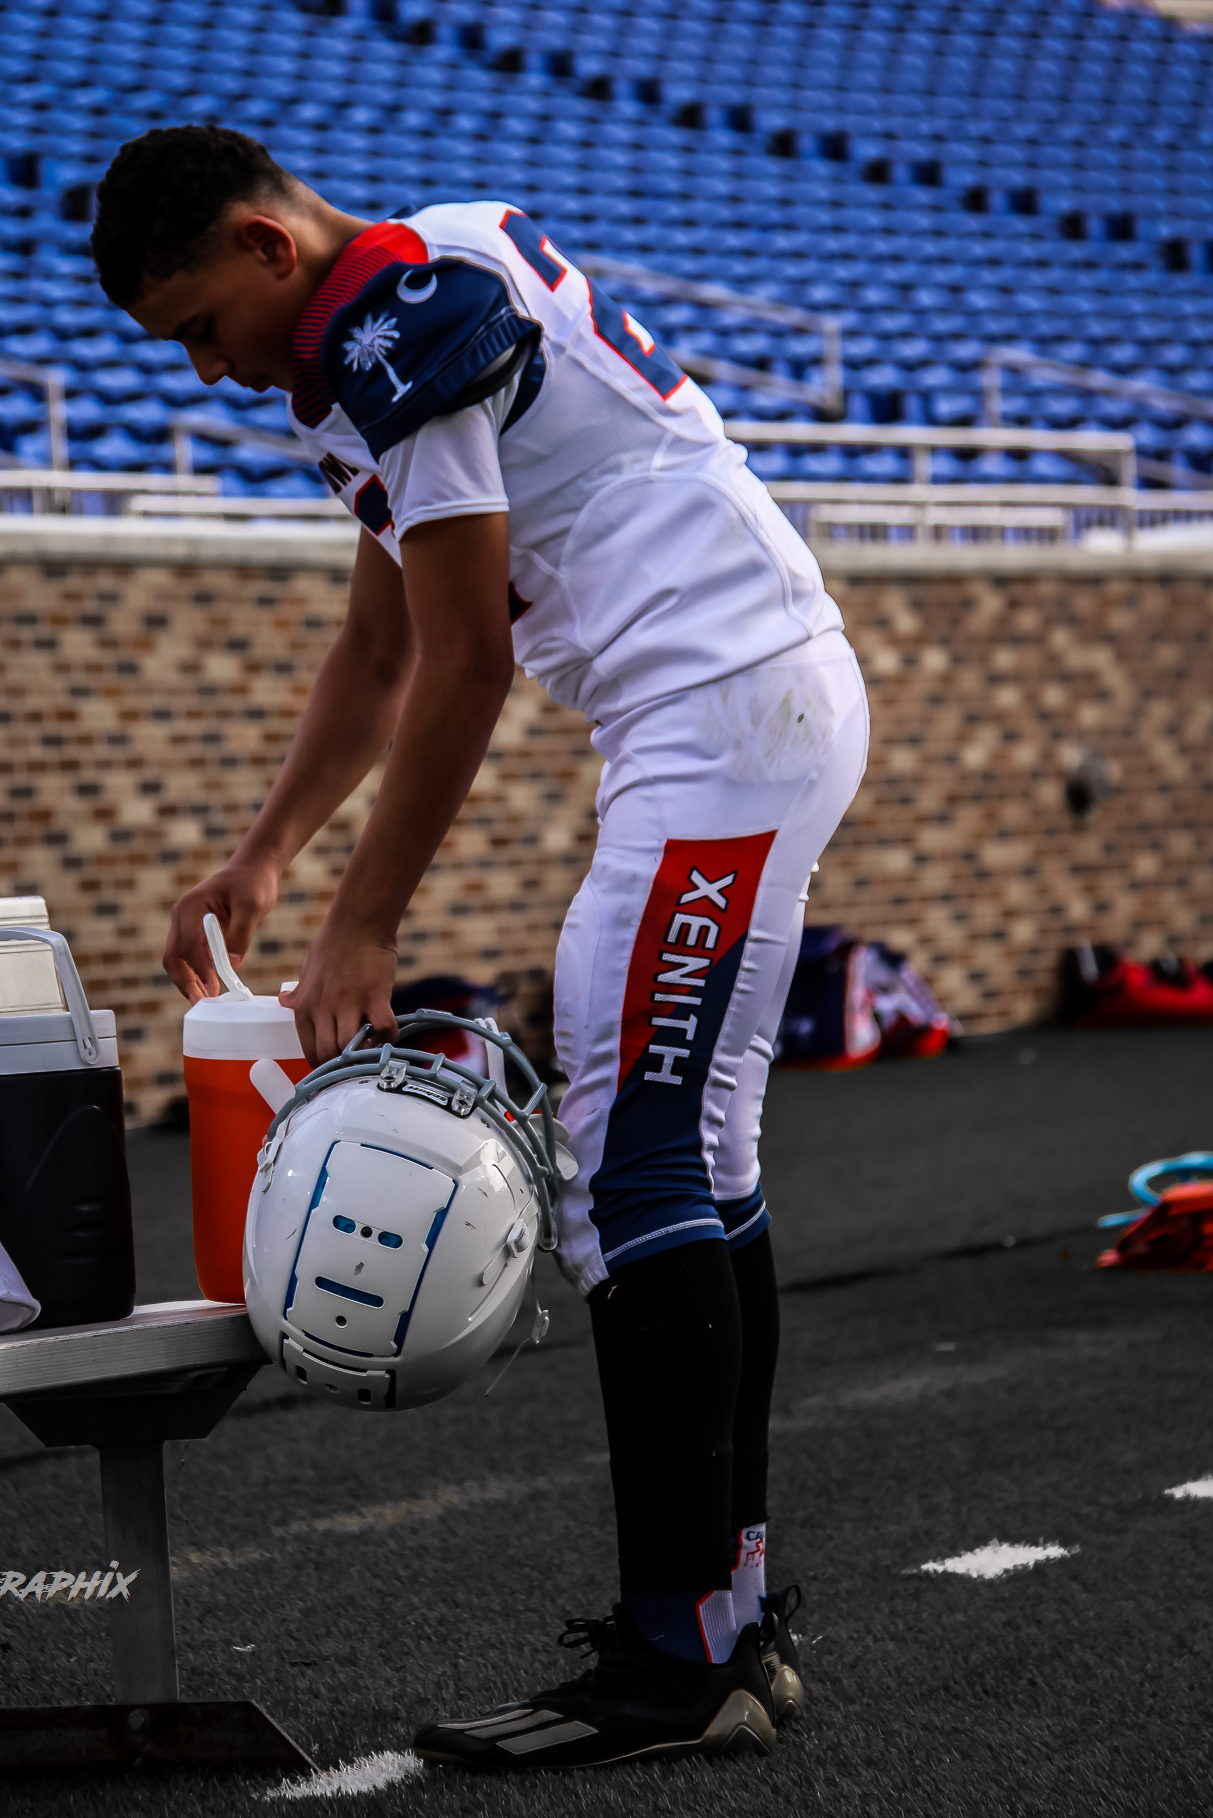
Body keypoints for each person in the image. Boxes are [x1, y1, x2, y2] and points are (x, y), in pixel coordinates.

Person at [91, 124, 869, 1771]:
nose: (211, 370)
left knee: (631, 1173)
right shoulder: (390, 292)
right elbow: (378, 648)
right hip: (731, 704)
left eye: (202, 326)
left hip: (720, 713)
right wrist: (269, 852)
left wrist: (365, 923)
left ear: (265, 244)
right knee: (695, 1163)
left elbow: (464, 662)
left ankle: (682, 1653)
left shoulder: (393, 317)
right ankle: (721, 1627)